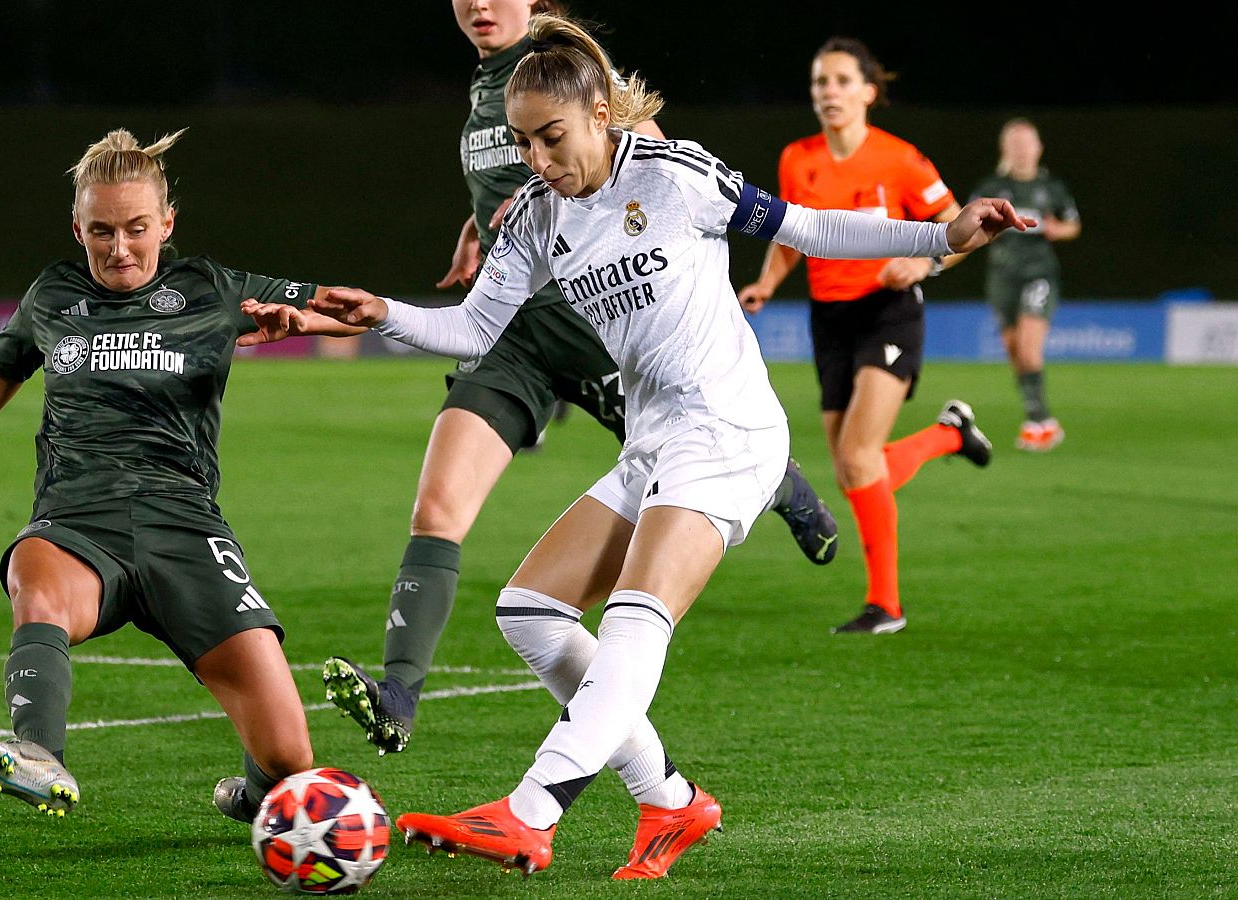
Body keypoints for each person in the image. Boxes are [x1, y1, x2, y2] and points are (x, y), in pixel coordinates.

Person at [252, 15, 1030, 879]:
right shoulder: (537, 218)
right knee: (531, 613)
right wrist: (381, 313)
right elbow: (474, 326)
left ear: (599, 114)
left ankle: (531, 811)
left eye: (553, 138)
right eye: (522, 143)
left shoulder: (672, 175)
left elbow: (807, 228)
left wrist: (943, 235)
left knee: (633, 616)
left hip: (729, 429)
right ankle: (669, 800)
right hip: (657, 441)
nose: (539, 159)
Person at [0, 129, 361, 822]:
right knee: (34, 572)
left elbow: (351, 310)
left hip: (186, 525)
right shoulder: (52, 295)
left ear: (167, 223)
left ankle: (257, 793)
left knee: (292, 761)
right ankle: (38, 753)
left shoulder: (211, 286)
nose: (119, 248)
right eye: (101, 232)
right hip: (79, 520)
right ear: (77, 227)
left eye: (137, 229)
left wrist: (303, 320)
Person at [317, 0, 840, 761]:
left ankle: (780, 480)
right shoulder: (483, 93)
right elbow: (513, 200)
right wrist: (478, 230)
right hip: (509, 337)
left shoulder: (569, 75)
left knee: (678, 454)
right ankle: (399, 694)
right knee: (438, 502)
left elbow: (655, 183)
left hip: (597, 323)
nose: (476, 4)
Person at [736, 38, 998, 636]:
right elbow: (789, 236)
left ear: (868, 92)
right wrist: (768, 283)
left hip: (888, 310)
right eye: (819, 82)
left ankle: (888, 606)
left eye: (840, 81)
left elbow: (964, 227)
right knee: (855, 466)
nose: (828, 92)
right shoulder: (796, 159)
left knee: (857, 460)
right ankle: (948, 436)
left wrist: (926, 264)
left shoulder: (900, 160)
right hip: (828, 318)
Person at [970, 118, 1080, 451]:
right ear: (1006, 149)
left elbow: (1073, 225)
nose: (1021, 150)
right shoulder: (991, 187)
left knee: (1030, 350)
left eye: (1027, 143)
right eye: (1014, 144)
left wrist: (1056, 230)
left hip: (1039, 274)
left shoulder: (1052, 188)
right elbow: (966, 223)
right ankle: (1041, 419)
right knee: (1016, 352)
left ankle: (1038, 422)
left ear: (1038, 148)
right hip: (1002, 277)